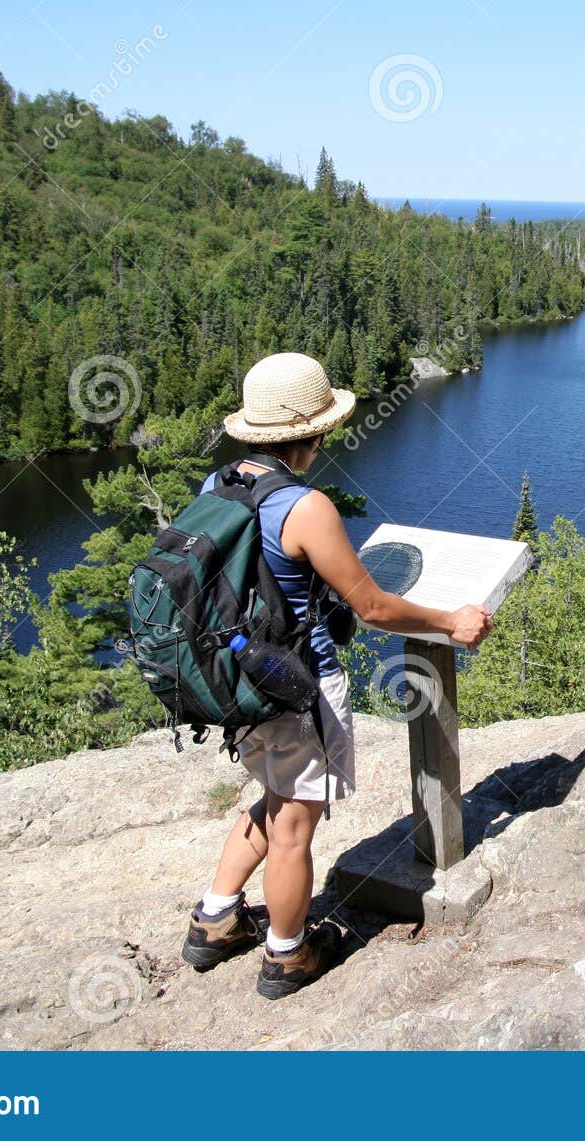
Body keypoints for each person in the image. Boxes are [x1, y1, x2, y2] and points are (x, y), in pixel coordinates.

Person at [181, 352, 493, 999]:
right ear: (316, 429)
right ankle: (288, 954)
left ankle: (214, 917)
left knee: (272, 800)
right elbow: (373, 606)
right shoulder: (303, 506)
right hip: (296, 688)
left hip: (237, 681)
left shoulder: (221, 486)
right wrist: (451, 620)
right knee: (296, 823)